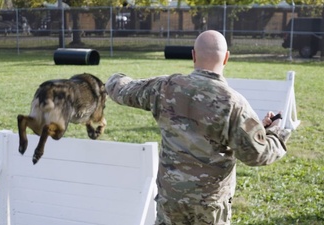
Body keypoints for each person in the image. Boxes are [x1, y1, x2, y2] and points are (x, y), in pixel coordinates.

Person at [105, 30, 291, 225]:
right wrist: (274, 133)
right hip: (209, 208)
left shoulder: (165, 87)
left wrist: (115, 78)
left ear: (193, 55)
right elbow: (257, 153)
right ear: (226, 58)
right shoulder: (234, 104)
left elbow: (122, 90)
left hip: (171, 202)